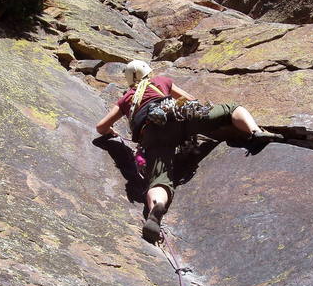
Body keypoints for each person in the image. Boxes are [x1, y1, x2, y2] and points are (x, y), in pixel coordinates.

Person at [96, 60, 283, 243]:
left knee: (160, 179)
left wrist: (110, 132)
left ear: (129, 80)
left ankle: (157, 209)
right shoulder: (161, 81)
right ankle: (255, 131)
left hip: (152, 134)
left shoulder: (126, 98)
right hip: (179, 116)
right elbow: (191, 100)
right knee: (231, 109)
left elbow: (100, 127)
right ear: (148, 72)